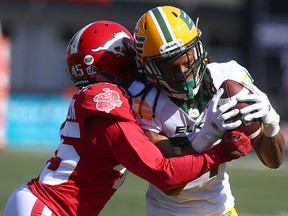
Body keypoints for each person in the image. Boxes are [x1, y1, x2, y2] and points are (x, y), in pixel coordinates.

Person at [4, 21, 252, 216]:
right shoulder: (105, 97)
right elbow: (163, 173)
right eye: (132, 57)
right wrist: (220, 151)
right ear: (118, 61)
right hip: (49, 209)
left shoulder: (105, 98)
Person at [129, 5, 285, 216]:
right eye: (170, 67)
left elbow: (273, 161)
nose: (185, 74)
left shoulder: (229, 77)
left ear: (199, 48)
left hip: (222, 209)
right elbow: (170, 184)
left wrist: (271, 121)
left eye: (188, 60)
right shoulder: (146, 102)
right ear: (149, 68)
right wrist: (207, 134)